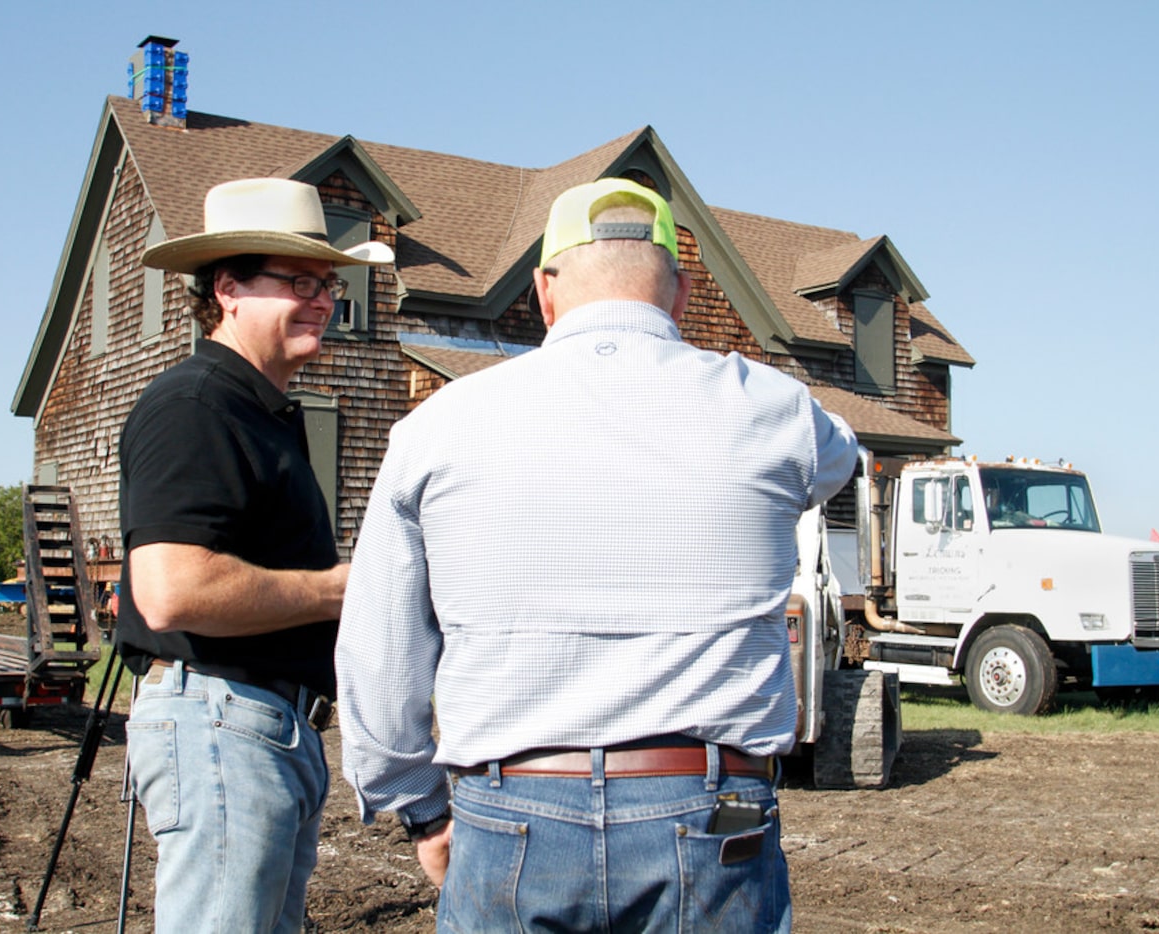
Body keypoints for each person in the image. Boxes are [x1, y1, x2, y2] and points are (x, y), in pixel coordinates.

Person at [335, 178, 857, 932]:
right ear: (678, 296)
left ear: (545, 292)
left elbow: (381, 650)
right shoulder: (772, 409)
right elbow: (843, 456)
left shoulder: (438, 426)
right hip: (713, 813)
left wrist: (419, 810)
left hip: (510, 807)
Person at [115, 177, 393, 932]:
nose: (324, 301)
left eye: (330, 285)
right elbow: (172, 592)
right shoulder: (196, 406)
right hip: (222, 719)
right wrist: (345, 587)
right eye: (299, 282)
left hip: (262, 726)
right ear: (228, 288)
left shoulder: (256, 410)